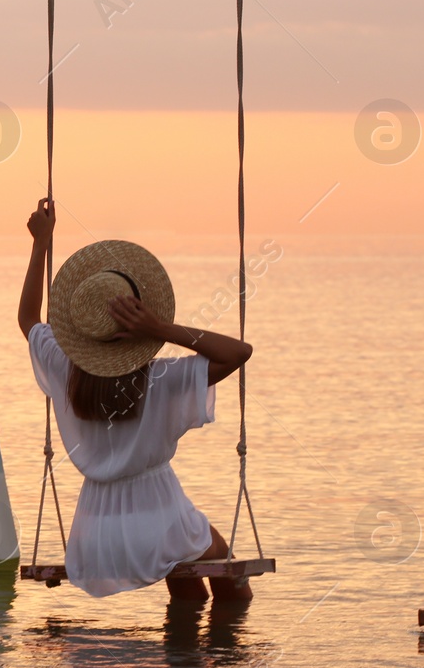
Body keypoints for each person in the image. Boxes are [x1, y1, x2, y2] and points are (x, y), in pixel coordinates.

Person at [17, 199, 255, 605]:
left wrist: (41, 242)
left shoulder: (65, 369)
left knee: (189, 589)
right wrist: (161, 328)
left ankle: (179, 655)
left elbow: (28, 319)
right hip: (162, 522)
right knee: (233, 587)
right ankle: (208, 660)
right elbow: (238, 352)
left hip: (93, 538)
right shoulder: (161, 379)